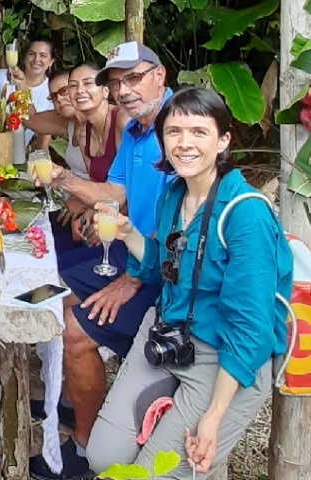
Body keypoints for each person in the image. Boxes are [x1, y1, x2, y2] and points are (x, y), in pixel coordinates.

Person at [84, 87, 293, 478]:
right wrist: (129, 233)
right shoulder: (174, 195)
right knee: (102, 459)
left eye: (198, 132)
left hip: (224, 356)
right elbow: (158, 270)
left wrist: (214, 416)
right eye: (174, 132)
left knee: (155, 474)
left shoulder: (245, 215)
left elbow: (250, 330)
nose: (184, 143)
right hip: (169, 337)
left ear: (223, 141)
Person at [28, 42, 173, 480]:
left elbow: (185, 224)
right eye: (116, 81)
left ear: (160, 75)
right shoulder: (136, 132)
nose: (124, 89)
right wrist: (67, 181)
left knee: (75, 329)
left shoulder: (179, 125)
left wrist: (134, 277)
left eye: (133, 78)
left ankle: (84, 449)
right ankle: (72, 396)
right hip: (132, 257)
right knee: (47, 295)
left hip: (164, 273)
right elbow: (115, 195)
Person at [22, 64, 129, 258]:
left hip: (127, 228)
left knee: (57, 261)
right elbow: (96, 184)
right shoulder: (83, 131)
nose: (79, 90)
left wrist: (98, 215)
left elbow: (137, 189)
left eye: (88, 83)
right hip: (96, 214)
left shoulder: (122, 121)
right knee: (35, 247)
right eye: (72, 86)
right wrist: (86, 210)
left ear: (106, 90)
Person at [0, 39, 55, 153]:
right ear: (24, 58)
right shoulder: (3, 75)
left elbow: (43, 143)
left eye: (43, 55)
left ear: (51, 62)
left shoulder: (51, 93)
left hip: (12, 159)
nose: (36, 59)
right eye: (31, 54)